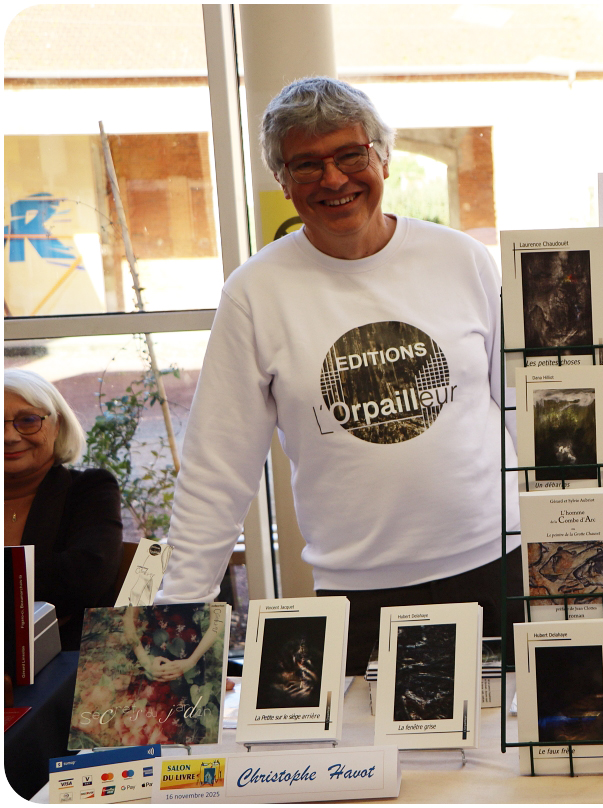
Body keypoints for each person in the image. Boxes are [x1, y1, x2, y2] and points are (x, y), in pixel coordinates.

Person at [158, 76, 520, 674]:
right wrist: (175, 625)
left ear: (382, 156)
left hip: (496, 570)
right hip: (358, 596)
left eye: (351, 154)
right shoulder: (255, 292)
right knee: (377, 768)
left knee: (506, 760)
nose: (333, 179)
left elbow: (517, 407)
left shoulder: (462, 260)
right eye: (307, 164)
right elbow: (215, 469)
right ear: (283, 180)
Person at [4, 367, 123, 650]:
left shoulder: (90, 489)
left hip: (63, 670)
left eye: (28, 420)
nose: (9, 436)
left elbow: (85, 579)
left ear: (57, 426)